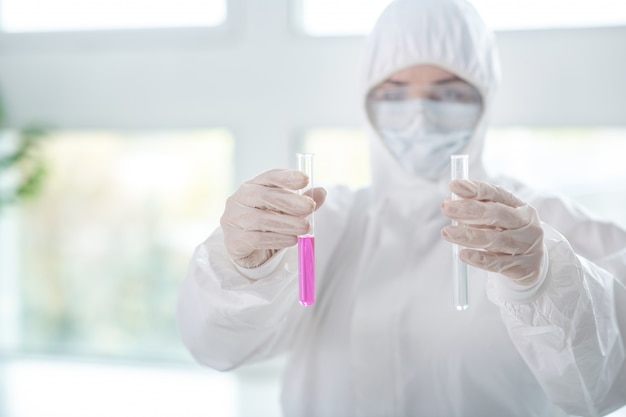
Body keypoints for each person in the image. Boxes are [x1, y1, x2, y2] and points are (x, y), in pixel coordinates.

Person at [176, 0, 626, 415]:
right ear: (366, 103)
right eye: (394, 92)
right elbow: (215, 346)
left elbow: (604, 386)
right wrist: (242, 270)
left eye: (449, 93)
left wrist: (543, 280)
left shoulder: (543, 228)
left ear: (485, 96)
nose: (419, 114)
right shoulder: (324, 222)